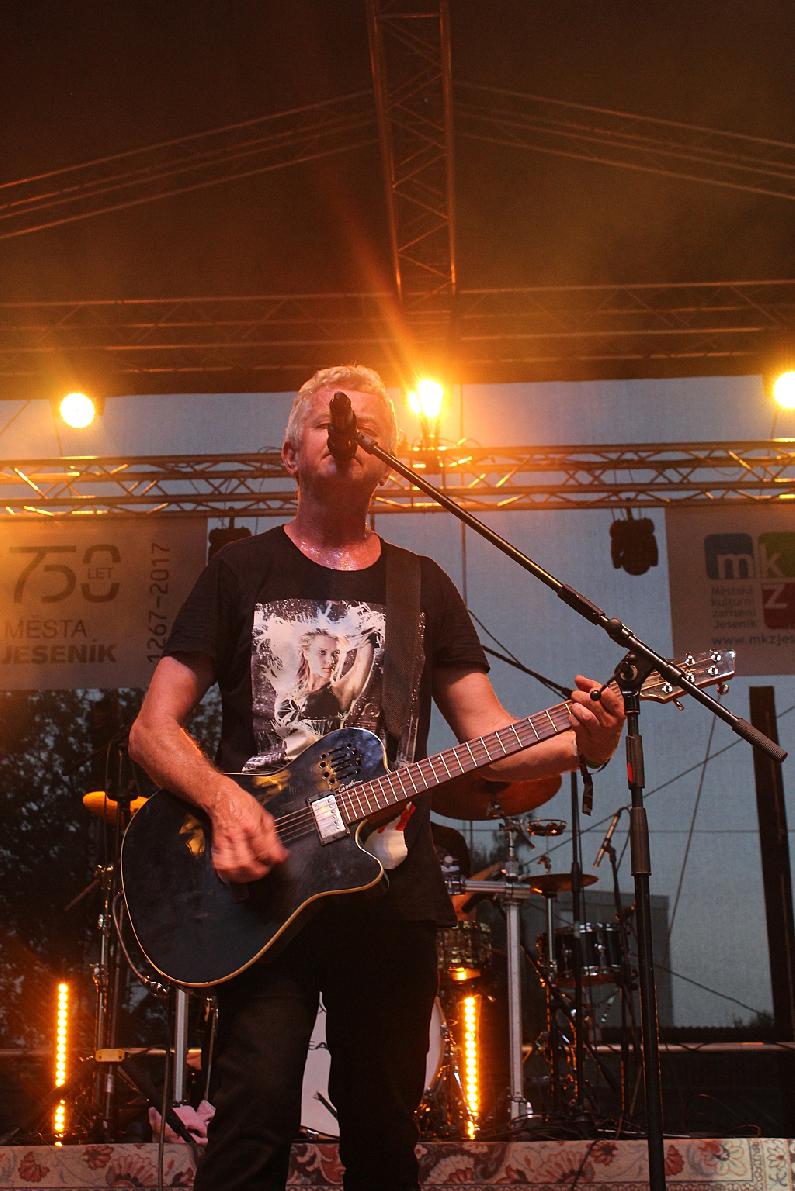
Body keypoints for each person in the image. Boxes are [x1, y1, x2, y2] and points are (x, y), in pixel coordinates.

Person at [128, 364, 624, 1191]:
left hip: (390, 888)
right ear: (289, 453)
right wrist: (223, 802)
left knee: (384, 1136)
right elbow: (153, 729)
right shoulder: (238, 571)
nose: (345, 431)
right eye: (328, 420)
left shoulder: (421, 584)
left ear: (389, 461)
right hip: (264, 889)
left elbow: (486, 735)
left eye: (365, 427)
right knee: (249, 1123)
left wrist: (586, 746)